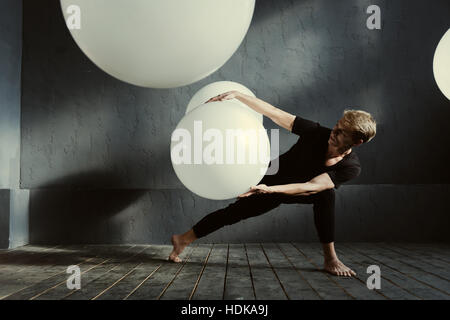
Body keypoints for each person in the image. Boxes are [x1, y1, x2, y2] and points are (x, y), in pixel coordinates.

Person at [169, 91, 377, 277]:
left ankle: (331, 259)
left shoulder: (351, 167)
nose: (334, 131)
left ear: (357, 142)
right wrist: (237, 95)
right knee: (233, 213)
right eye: (337, 125)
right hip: (273, 175)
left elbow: (310, 187)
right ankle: (183, 239)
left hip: (294, 190)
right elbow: (275, 113)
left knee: (326, 195)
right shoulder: (316, 132)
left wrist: (270, 191)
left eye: (342, 132)